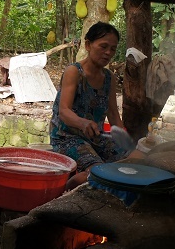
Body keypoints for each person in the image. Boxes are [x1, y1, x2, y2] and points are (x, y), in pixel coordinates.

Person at [49, 22, 141, 189]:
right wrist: (83, 123)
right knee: (98, 172)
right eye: (103, 46)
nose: (108, 53)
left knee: (136, 159)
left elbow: (113, 114)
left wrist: (125, 141)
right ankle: (63, 193)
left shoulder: (109, 78)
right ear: (88, 45)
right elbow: (64, 111)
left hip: (96, 138)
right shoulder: (74, 72)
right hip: (66, 137)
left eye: (112, 49)